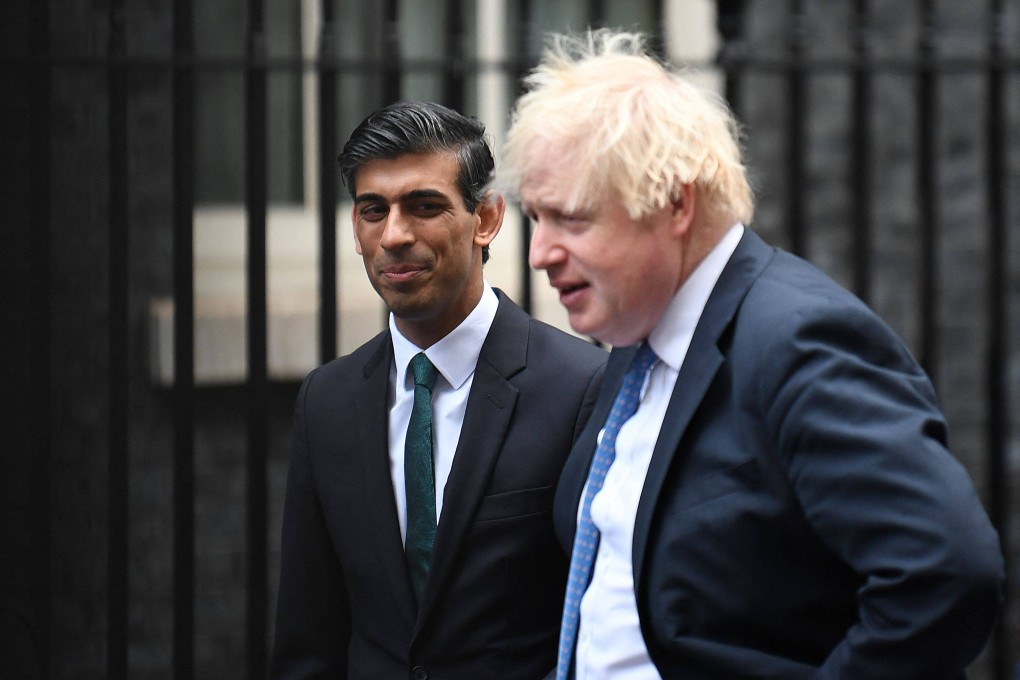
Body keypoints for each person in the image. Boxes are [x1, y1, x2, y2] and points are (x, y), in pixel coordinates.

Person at [496, 29, 1004, 680]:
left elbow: (947, 573)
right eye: (534, 218)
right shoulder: (637, 343)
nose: (539, 253)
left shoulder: (800, 342)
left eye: (570, 218)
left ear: (675, 203)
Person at [270, 100, 607, 680]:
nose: (394, 235)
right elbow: (309, 636)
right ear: (355, 228)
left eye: (424, 207)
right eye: (373, 210)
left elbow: (599, 626)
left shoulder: (579, 387)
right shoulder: (326, 400)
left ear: (487, 219)